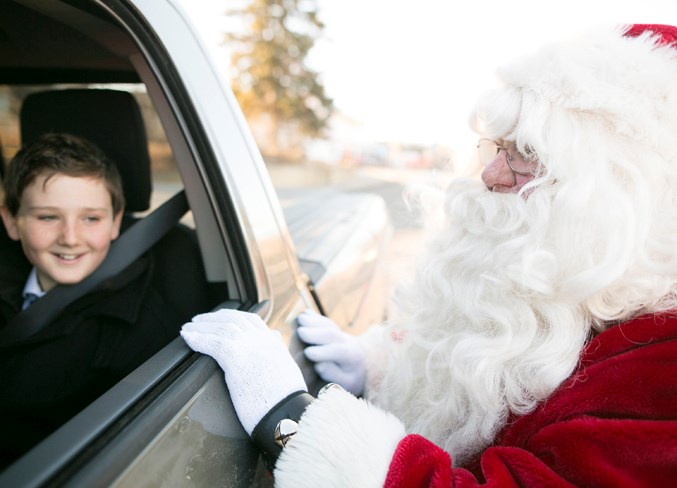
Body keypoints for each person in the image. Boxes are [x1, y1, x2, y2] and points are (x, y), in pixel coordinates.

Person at [181, 23, 677, 486]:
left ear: (620, 190)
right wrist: (379, 368)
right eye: (497, 147)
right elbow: (494, 357)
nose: (491, 175)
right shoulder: (582, 270)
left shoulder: (662, 365)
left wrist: (294, 420)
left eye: (526, 153)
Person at [0, 133, 185, 468]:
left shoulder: (144, 334)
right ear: (12, 221)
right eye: (47, 217)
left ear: (115, 222)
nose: (70, 238)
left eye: (91, 219)